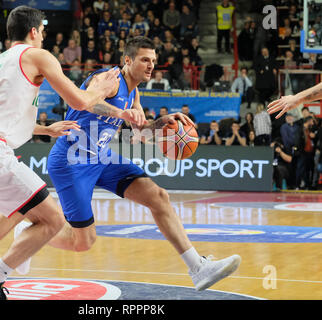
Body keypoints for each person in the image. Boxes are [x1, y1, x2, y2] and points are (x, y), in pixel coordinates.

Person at [0, 5, 141, 300]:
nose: (45, 36)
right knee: (53, 221)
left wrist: (45, 129)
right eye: (44, 30)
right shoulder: (38, 55)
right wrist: (100, 88)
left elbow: (0, 113)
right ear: (34, 31)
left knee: (18, 207)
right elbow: (78, 101)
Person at [17, 36, 241, 291]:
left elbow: (141, 133)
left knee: (158, 196)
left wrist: (162, 123)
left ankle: (198, 267)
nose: (150, 65)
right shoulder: (108, 79)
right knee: (83, 242)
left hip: (100, 157)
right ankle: (28, 233)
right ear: (127, 60)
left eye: (154, 61)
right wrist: (120, 113)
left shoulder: (134, 90)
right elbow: (86, 101)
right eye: (145, 59)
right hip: (72, 159)